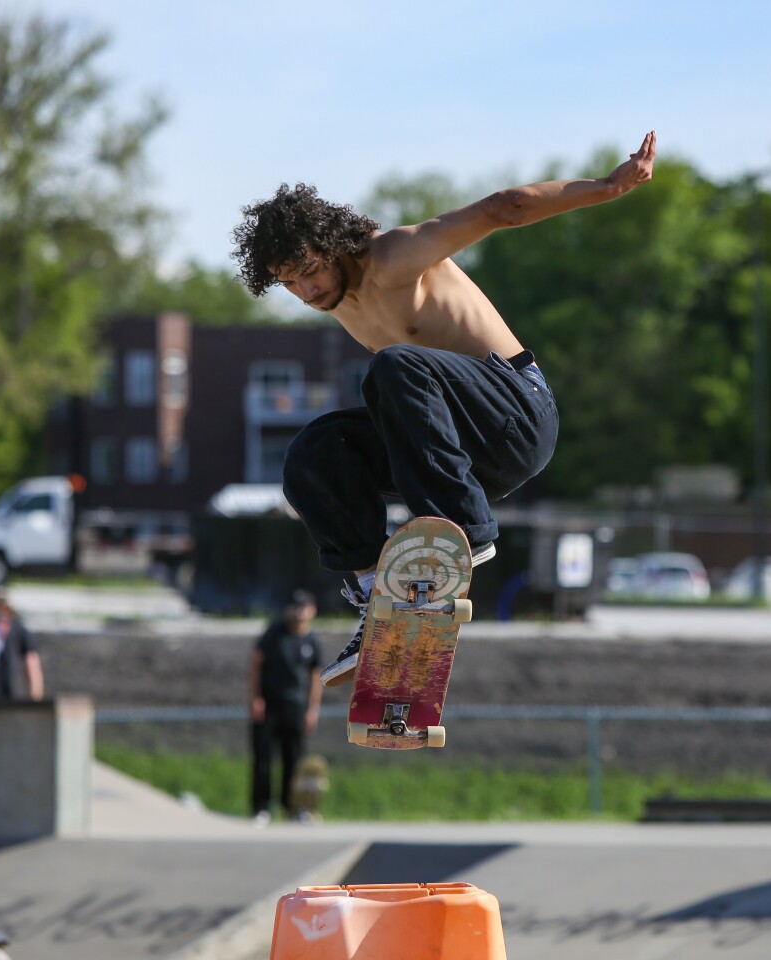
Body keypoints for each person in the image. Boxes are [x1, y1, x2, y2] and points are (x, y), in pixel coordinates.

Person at [232, 130, 658, 685]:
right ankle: (378, 597)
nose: (307, 291)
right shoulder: (336, 300)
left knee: (395, 366)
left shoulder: (396, 255)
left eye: (311, 270)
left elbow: (501, 209)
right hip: (459, 451)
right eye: (289, 283)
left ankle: (465, 536)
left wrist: (605, 187)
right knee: (313, 452)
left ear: (333, 245)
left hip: (516, 417)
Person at [249, 590, 323, 825]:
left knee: (295, 761)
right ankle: (261, 808)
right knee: (263, 760)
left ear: (312, 611)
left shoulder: (312, 640)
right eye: (295, 607)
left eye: (304, 608)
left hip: (297, 708)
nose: (299, 613)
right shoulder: (274, 634)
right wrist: (256, 698)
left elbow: (315, 676)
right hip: (270, 705)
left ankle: (294, 808)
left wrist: (313, 709)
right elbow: (256, 663)